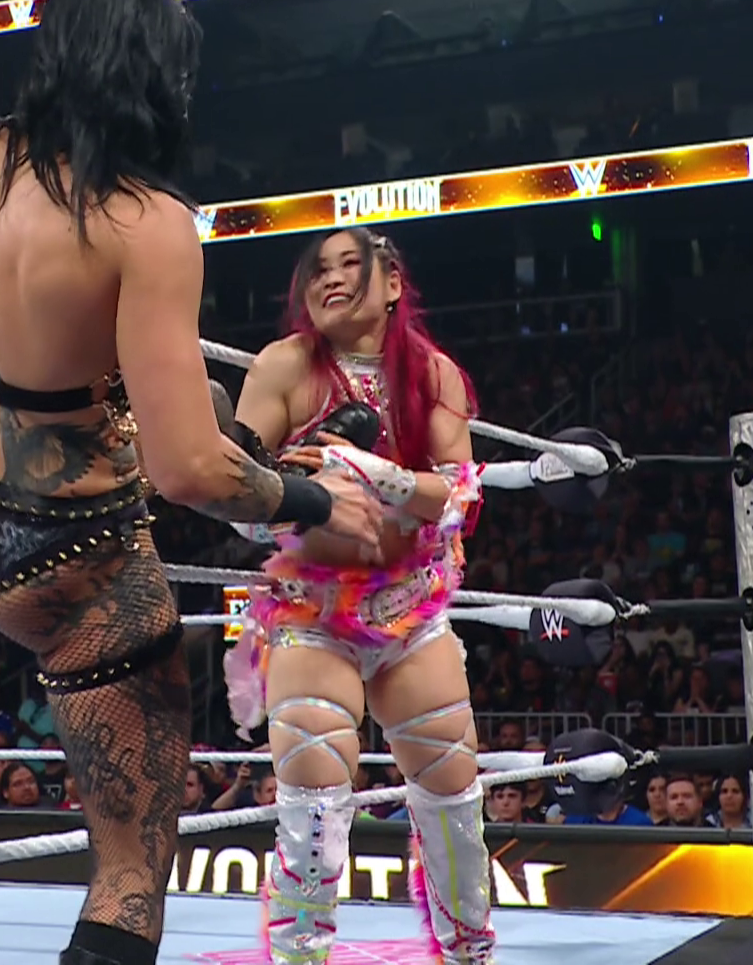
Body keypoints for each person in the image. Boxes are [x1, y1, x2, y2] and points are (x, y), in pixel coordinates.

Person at [0, 0, 382, 965]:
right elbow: (187, 474)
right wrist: (311, 503)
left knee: (202, 417)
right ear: (155, 72)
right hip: (73, 546)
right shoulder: (144, 222)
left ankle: (265, 440)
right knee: (128, 869)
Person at [225, 227, 529, 965]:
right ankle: (300, 957)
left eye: (348, 266)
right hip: (312, 610)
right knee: (313, 795)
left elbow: (460, 496)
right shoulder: (283, 367)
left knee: (452, 790)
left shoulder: (431, 373)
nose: (329, 280)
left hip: (408, 606)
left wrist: (376, 473)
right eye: (316, 271)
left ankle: (470, 953)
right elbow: (233, 494)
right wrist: (305, 494)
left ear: (392, 283)